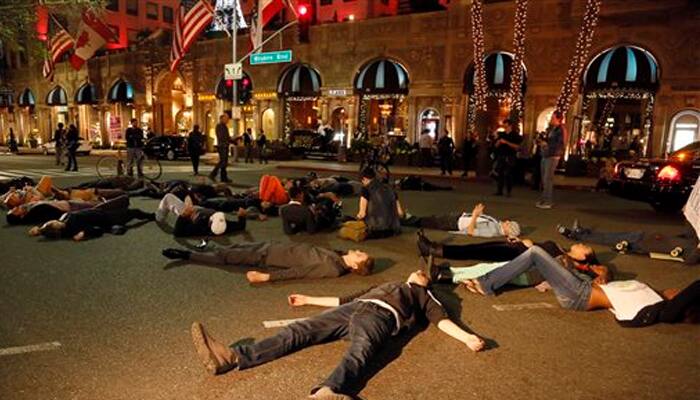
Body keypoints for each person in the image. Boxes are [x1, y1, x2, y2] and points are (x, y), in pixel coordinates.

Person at [187, 270, 485, 400]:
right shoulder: (388, 283)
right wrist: (308, 300)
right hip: (355, 307)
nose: (420, 273)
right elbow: (345, 298)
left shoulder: (424, 295)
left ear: (425, 282)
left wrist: (468, 338)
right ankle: (232, 357)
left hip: (382, 317)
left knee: (360, 352)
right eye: (418, 272)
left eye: (424, 274)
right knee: (299, 330)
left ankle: (328, 391)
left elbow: (442, 320)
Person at [461, 246, 699, 327]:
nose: (675, 290)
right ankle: (486, 278)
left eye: (679, 293)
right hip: (583, 288)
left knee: (535, 253)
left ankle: (486, 283)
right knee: (550, 258)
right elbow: (611, 282)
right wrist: (603, 273)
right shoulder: (649, 293)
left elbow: (689, 293)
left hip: (580, 295)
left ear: (680, 302)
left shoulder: (657, 308)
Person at [163, 240, 373, 284]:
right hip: (271, 246)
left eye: (360, 256)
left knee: (225, 258)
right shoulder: (338, 254)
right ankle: (204, 245)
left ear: (355, 266)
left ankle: (184, 254)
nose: (359, 252)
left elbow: (300, 272)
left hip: (267, 257)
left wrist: (267, 277)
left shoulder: (333, 267)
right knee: (234, 248)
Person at [558, 220, 699, 265]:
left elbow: (690, 261)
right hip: (646, 236)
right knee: (609, 235)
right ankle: (582, 233)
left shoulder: (693, 251)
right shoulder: (694, 240)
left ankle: (576, 235)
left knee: (607, 239)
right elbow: (688, 233)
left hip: (642, 244)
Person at [28, 195, 154, 241]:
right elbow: (97, 230)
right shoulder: (74, 228)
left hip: (99, 209)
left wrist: (39, 230)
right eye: (54, 223)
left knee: (123, 199)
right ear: (58, 229)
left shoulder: (63, 219)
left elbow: (48, 225)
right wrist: (83, 233)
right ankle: (152, 216)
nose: (54, 221)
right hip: (107, 218)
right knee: (133, 212)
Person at [155, 194, 246, 237]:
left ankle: (158, 217)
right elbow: (240, 226)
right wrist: (242, 216)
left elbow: (178, 233)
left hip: (189, 212)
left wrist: (184, 215)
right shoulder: (225, 226)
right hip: (199, 207)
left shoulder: (198, 227)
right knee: (188, 193)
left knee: (168, 197)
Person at [413, 202, 520, 239]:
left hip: (455, 223)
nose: (506, 221)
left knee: (428, 221)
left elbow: (471, 232)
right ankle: (409, 219)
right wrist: (479, 214)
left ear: (508, 230)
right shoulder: (497, 224)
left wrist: (474, 215)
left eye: (508, 224)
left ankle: (406, 221)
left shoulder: (493, 231)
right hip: (459, 218)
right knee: (430, 219)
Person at [357, 167, 404, 239]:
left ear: (365, 179)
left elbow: (362, 214)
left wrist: (357, 218)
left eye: (362, 181)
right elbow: (400, 213)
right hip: (392, 229)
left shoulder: (366, 190)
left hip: (375, 230)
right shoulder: (390, 188)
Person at [537, 111, 566, 209]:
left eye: (553, 117)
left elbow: (560, 144)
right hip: (546, 154)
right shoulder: (551, 129)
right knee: (544, 178)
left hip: (552, 155)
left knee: (548, 178)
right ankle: (544, 199)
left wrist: (548, 145)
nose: (551, 119)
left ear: (558, 119)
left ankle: (548, 201)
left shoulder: (560, 130)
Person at [492, 120, 522, 197]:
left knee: (508, 174)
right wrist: (498, 142)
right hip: (501, 156)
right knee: (500, 173)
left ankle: (509, 191)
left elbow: (517, 147)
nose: (505, 127)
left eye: (506, 125)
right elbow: (495, 145)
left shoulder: (515, 135)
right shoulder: (502, 134)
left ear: (510, 125)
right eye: (504, 125)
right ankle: (499, 190)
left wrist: (506, 142)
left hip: (510, 156)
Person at [209, 114, 231, 183]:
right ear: (222, 119)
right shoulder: (220, 126)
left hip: (224, 145)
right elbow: (222, 137)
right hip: (222, 146)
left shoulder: (224, 126)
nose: (227, 120)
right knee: (222, 162)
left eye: (228, 119)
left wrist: (232, 140)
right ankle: (213, 174)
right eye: (226, 118)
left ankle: (223, 177)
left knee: (224, 162)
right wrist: (228, 140)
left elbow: (226, 137)